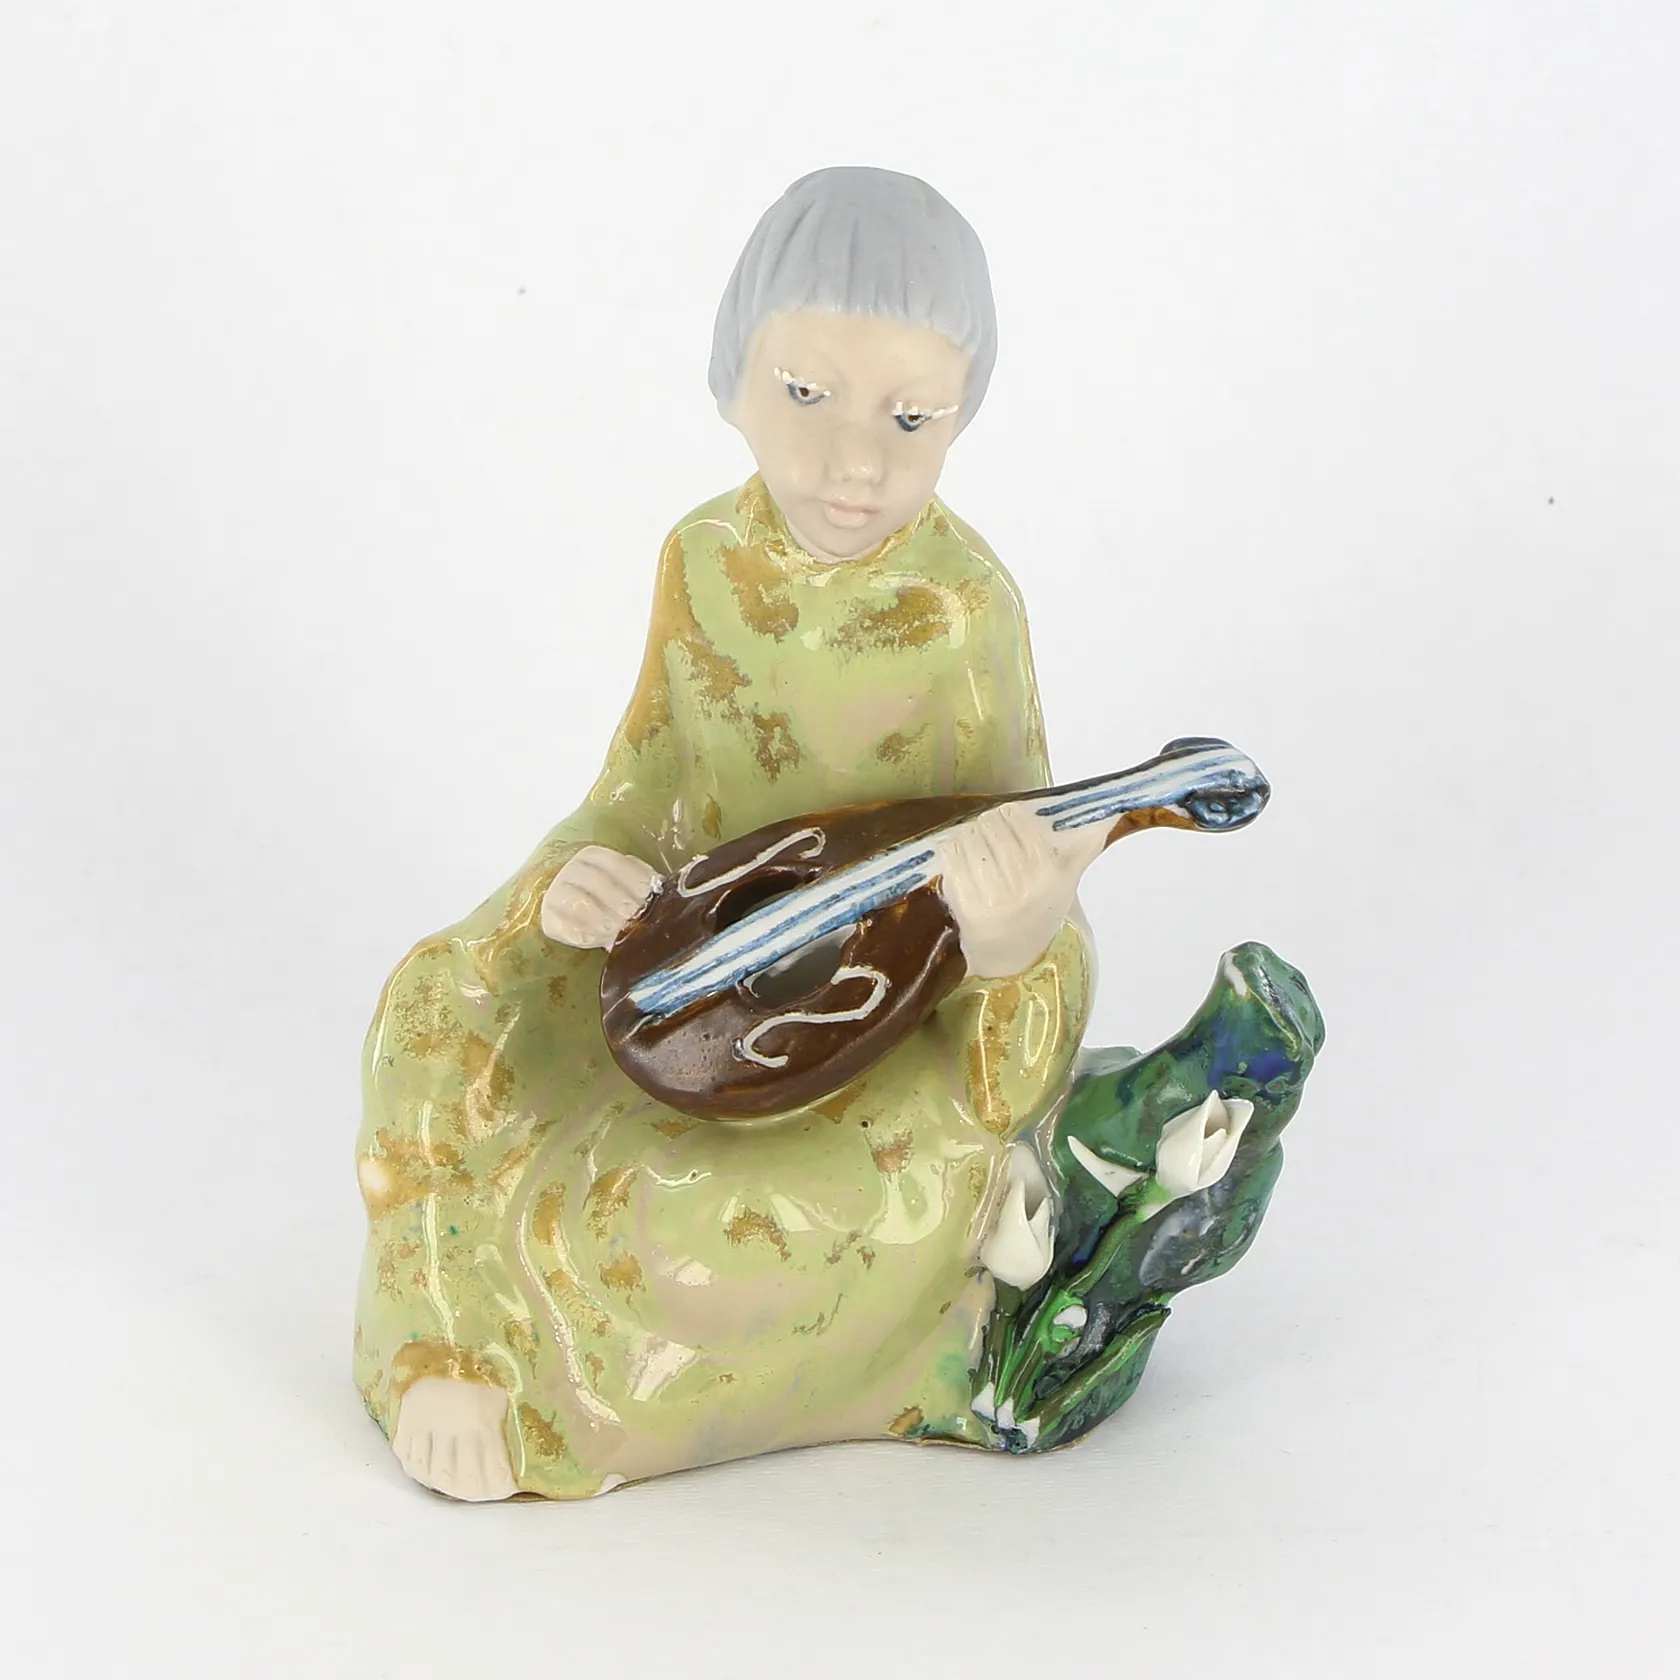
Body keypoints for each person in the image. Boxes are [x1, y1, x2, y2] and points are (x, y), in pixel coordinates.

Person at [353, 167, 1321, 1501]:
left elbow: (1023, 858)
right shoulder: (704, 560)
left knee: (687, 1223)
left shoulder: (963, 612)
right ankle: (440, 1335)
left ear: (963, 412)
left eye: (910, 418)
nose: (854, 462)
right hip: (701, 957)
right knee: (434, 1004)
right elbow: (645, 791)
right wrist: (586, 877)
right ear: (732, 378)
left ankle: (578, 1388)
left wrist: (1013, 937)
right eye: (806, 393)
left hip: (882, 1041)